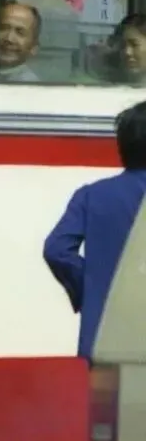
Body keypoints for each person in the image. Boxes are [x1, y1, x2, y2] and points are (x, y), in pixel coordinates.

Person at [43, 101, 146, 358]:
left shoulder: (91, 195)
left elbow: (56, 250)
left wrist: (93, 288)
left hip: (105, 340)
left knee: (113, 387)